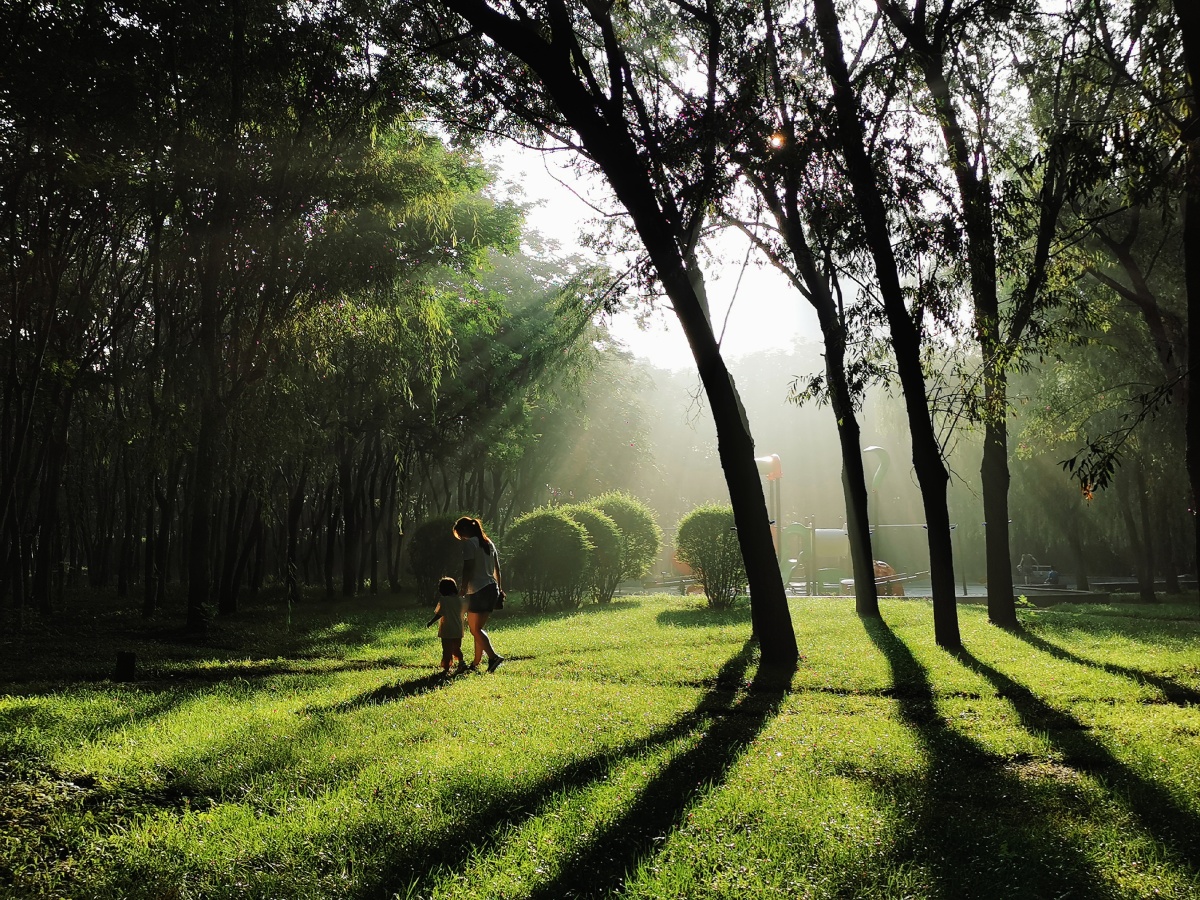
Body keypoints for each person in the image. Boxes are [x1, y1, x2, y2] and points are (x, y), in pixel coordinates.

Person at [453, 516, 505, 672]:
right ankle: (476, 663)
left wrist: (462, 588)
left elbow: (467, 568)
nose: (461, 538)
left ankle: (493, 657)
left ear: (464, 530)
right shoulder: (489, 543)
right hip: (491, 588)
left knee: (475, 629)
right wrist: (500, 588)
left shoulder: (470, 544)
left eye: (460, 535)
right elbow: (497, 569)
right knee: (478, 628)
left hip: (478, 589)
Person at [426, 576, 466, 675]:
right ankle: (461, 662)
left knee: (447, 649)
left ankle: (447, 667)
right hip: (458, 628)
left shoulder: (443, 600)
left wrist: (431, 622)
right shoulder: (461, 600)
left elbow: (439, 613)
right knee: (456, 648)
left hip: (447, 629)